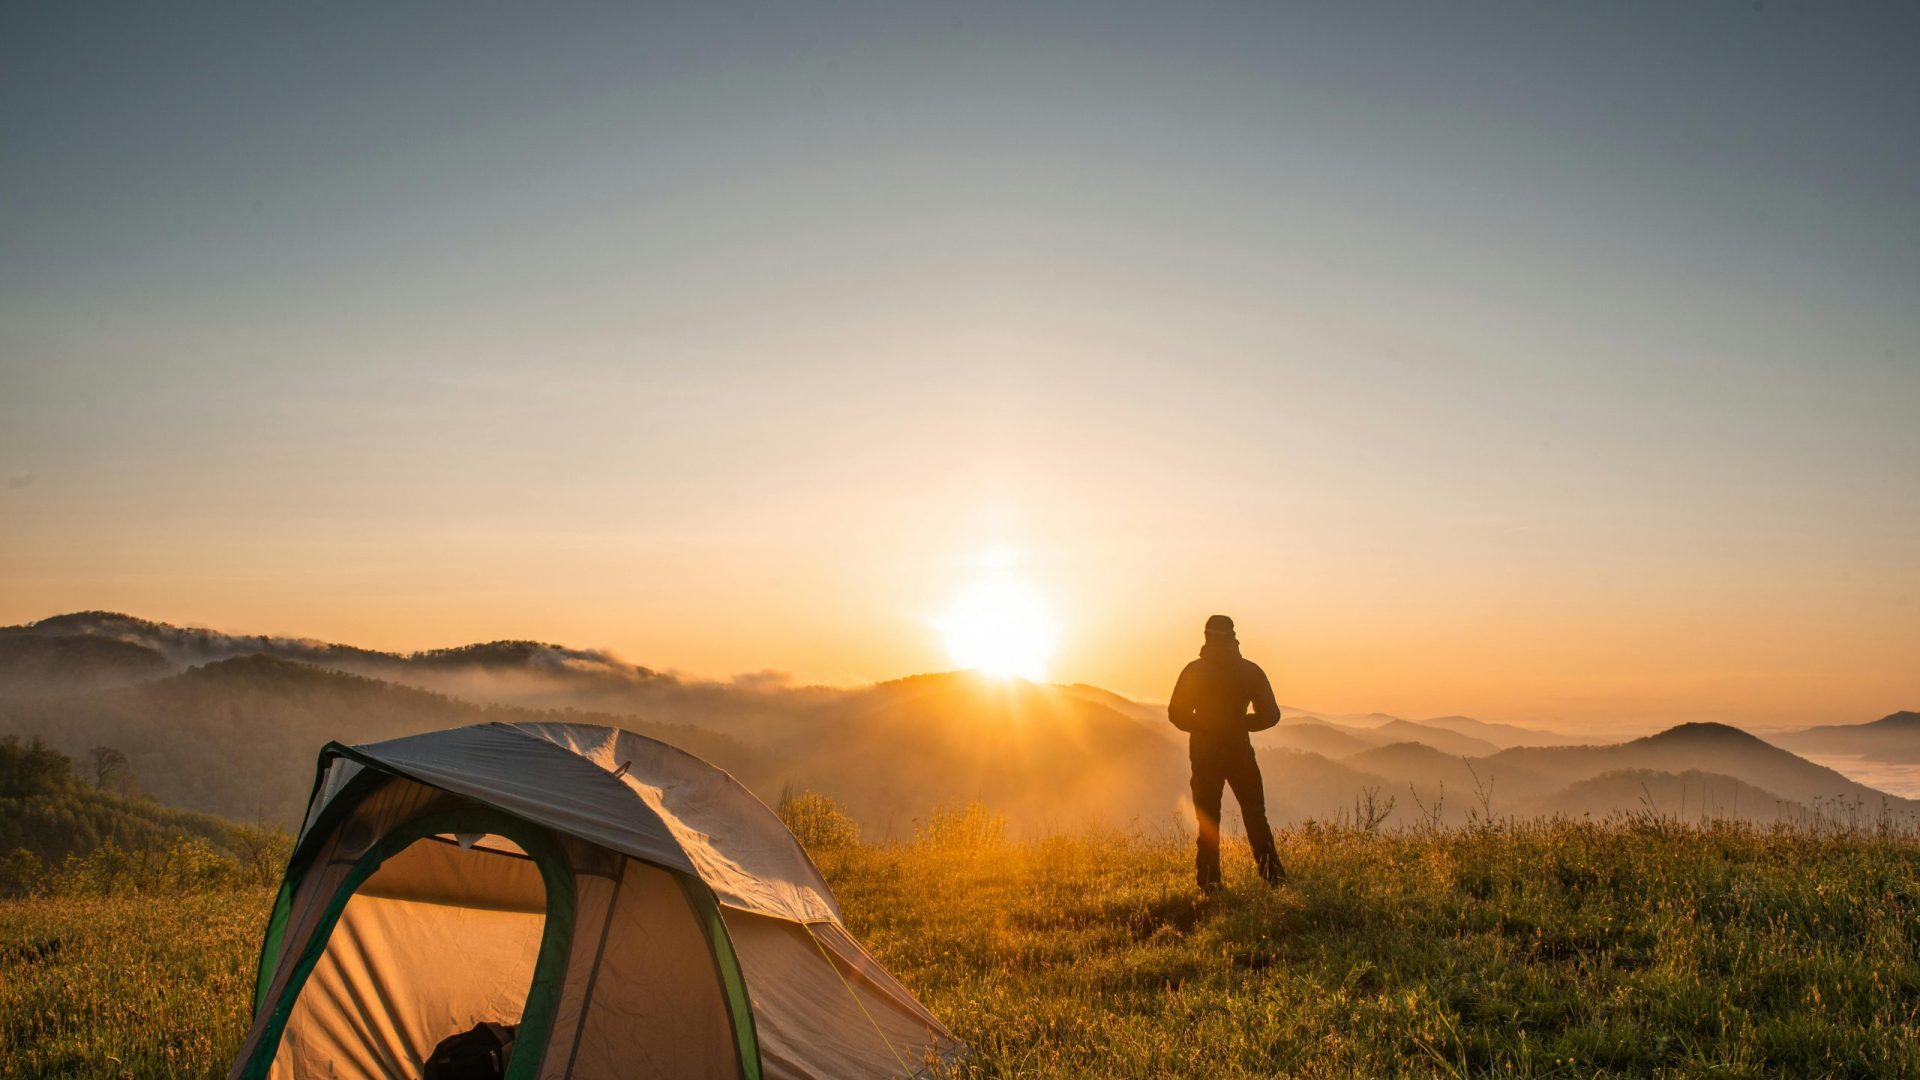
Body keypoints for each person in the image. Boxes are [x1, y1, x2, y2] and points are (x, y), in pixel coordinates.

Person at [1168, 614, 1285, 891]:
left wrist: (1205, 725)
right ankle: (1274, 879)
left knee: (1208, 819)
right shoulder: (1250, 671)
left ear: (1206, 636)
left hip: (1204, 754)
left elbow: (1176, 714)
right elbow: (1271, 715)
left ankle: (1209, 883)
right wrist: (1240, 723)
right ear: (1233, 636)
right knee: (1255, 815)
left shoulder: (1194, 671)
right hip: (1240, 753)